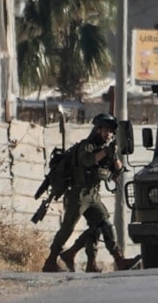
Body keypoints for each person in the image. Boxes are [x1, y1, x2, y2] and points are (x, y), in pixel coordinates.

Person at [42, 113, 141, 272]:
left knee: (104, 225)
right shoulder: (87, 146)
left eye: (111, 132)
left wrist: (113, 155)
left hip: (93, 195)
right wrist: (105, 152)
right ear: (98, 130)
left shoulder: (107, 149)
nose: (108, 134)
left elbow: (119, 169)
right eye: (106, 130)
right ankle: (51, 261)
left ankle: (118, 261)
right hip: (78, 194)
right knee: (67, 228)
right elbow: (87, 160)